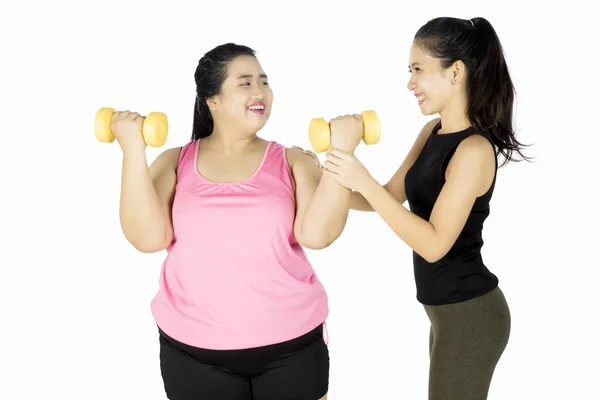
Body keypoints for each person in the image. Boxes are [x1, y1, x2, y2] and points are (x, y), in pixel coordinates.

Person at [299, 17, 530, 400]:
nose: (410, 83)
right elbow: (388, 196)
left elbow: (434, 244)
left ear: (455, 72)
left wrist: (361, 179)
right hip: (445, 313)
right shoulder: (432, 133)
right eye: (410, 71)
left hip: (471, 315)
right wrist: (323, 178)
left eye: (418, 70)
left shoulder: (474, 150)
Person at [113, 43, 352, 400]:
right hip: (194, 351)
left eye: (264, 81)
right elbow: (147, 238)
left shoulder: (292, 161)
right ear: (213, 100)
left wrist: (342, 151)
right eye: (245, 83)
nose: (260, 92)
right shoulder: (175, 161)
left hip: (292, 346)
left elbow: (317, 235)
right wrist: (132, 149)